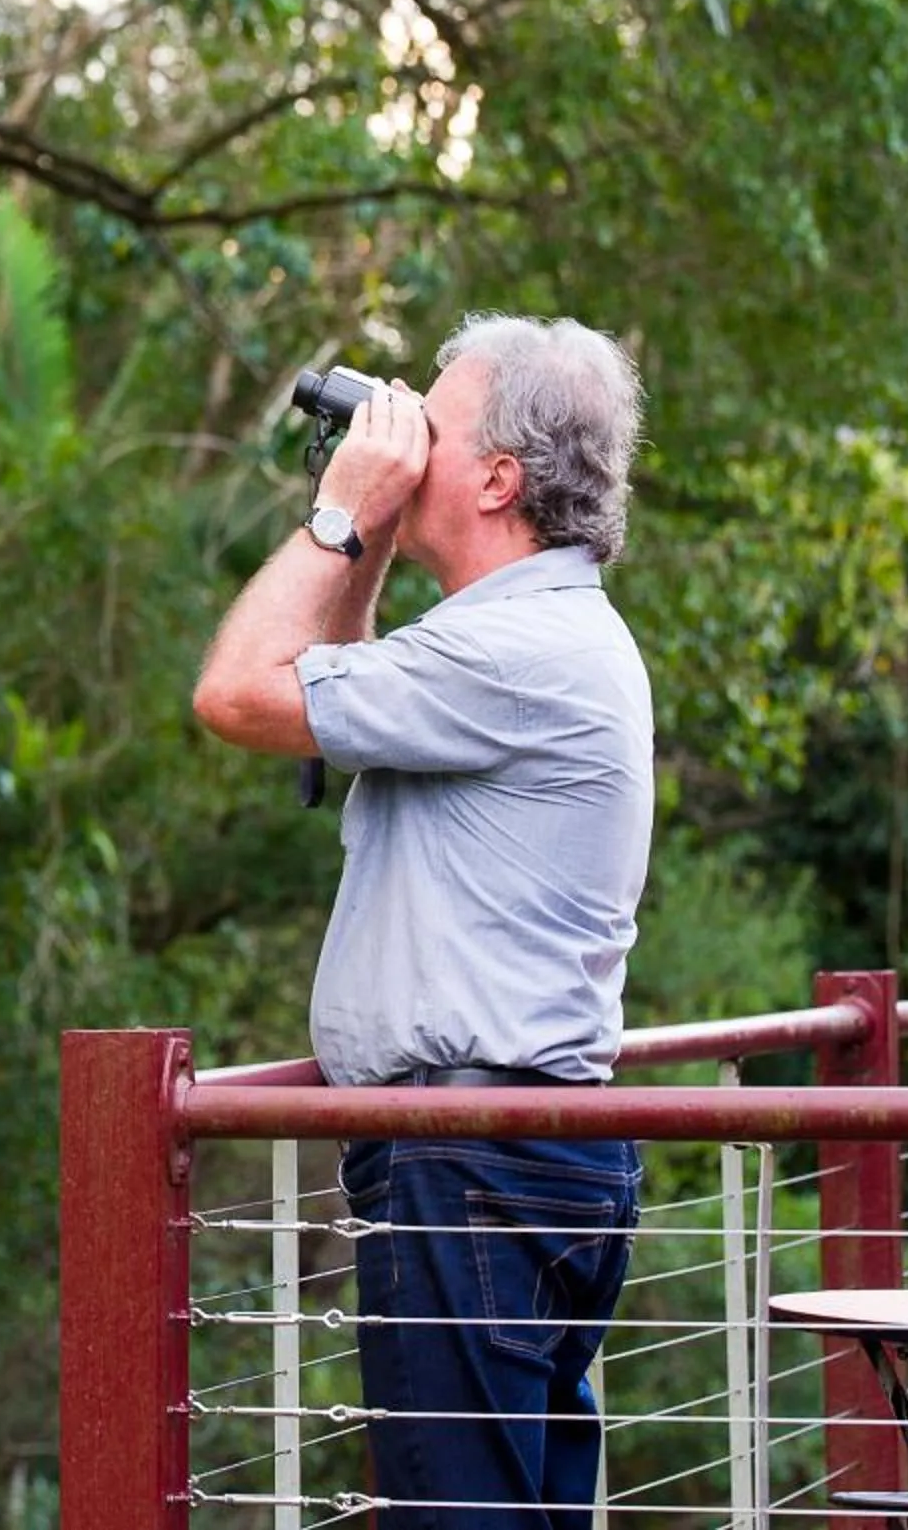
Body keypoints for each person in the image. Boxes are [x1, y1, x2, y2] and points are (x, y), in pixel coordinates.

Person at [190, 312, 655, 1529]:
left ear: (497, 479)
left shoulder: (509, 651)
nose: (398, 438)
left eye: (429, 428)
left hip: (470, 1163)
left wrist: (339, 514)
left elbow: (236, 693)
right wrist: (380, 535)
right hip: (513, 1153)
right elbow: (347, 702)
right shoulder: (533, 639)